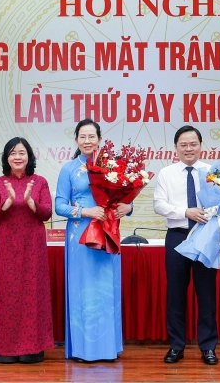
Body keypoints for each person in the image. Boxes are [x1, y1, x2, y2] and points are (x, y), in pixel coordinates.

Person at [153, 125, 220, 366]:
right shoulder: (166, 173)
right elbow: (159, 205)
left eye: (193, 144)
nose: (188, 148)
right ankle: (176, 346)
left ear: (201, 146)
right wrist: (185, 211)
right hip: (177, 236)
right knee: (175, 294)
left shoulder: (213, 173)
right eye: (183, 144)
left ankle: (208, 347)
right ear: (176, 148)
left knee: (206, 293)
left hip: (206, 236)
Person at [54, 119, 132, 362]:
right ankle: (82, 350)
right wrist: (85, 211)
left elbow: (126, 199)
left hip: (107, 233)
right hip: (80, 236)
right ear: (76, 140)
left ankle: (107, 349)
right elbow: (59, 205)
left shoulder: (112, 167)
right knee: (82, 289)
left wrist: (127, 207)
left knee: (106, 289)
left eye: (92, 136)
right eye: (83, 136)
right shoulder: (69, 169)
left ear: (99, 139)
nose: (87, 141)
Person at [0, 137, 54, 364]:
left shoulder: (39, 182)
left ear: (29, 157)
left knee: (32, 293)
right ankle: (4, 348)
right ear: (7, 158)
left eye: (22, 153)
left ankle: (32, 348)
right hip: (7, 245)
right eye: (13, 153)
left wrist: (31, 203)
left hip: (33, 245)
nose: (17, 157)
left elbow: (47, 213)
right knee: (7, 293)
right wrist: (7, 203)